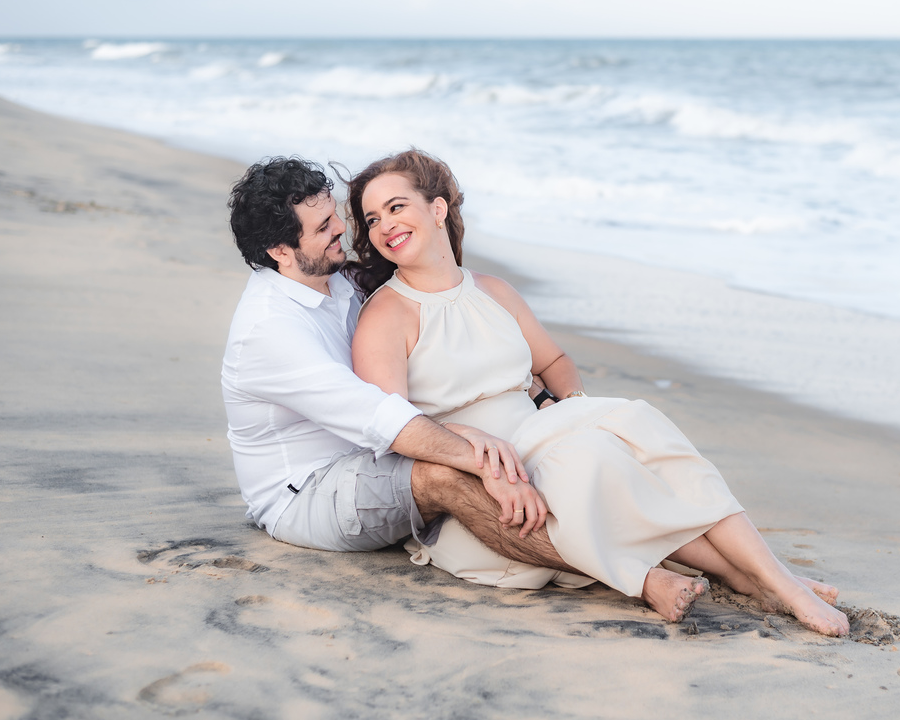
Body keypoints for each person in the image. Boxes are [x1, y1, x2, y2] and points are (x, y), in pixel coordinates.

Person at [346, 149, 851, 636]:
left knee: (624, 433)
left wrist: (572, 411)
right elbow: (393, 424)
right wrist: (476, 443)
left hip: (548, 435)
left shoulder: (493, 290)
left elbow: (555, 363)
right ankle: (754, 575)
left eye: (396, 207)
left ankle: (770, 576)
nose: (384, 225)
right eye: (371, 219)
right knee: (601, 454)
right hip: (486, 484)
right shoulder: (386, 315)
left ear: (437, 210)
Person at [221, 157, 589, 589]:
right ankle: (613, 568)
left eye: (335, 216)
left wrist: (544, 398)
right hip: (308, 492)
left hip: (372, 455)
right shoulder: (270, 332)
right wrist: (487, 463)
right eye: (322, 228)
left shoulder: (337, 278)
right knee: (446, 475)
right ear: (280, 252)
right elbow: (383, 418)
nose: (342, 230)